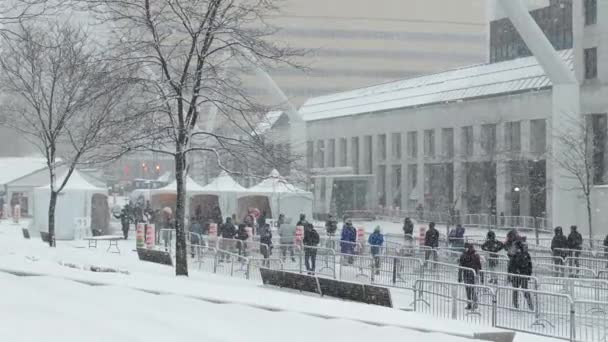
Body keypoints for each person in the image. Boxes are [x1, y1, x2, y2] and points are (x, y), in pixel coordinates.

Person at [508, 240, 534, 310]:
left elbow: (511, 265)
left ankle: (518, 305)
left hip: (519, 275)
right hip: (521, 274)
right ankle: (529, 305)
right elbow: (529, 265)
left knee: (517, 290)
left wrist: (511, 273)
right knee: (522, 290)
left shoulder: (518, 255)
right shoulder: (523, 254)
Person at [458, 243, 482, 310]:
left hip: (470, 274)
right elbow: (479, 267)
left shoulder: (465, 255)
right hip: (471, 274)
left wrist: (459, 276)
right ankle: (473, 303)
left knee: (470, 290)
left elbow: (461, 266)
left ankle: (471, 303)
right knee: (472, 289)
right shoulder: (475, 255)